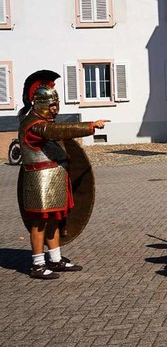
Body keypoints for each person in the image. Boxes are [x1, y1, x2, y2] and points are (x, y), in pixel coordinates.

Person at [18, 70, 108, 280]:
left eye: (56, 105)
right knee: (39, 222)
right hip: (39, 180)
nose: (55, 109)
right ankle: (38, 264)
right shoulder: (34, 125)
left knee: (54, 220)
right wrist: (90, 126)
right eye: (51, 105)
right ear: (39, 104)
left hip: (54, 178)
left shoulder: (43, 121)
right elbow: (58, 132)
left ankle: (55, 259)